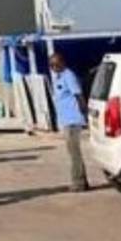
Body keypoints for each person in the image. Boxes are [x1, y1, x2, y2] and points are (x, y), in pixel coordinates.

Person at [50, 53, 90, 192]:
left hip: (73, 120)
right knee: (72, 152)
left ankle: (78, 182)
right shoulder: (59, 77)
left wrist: (84, 114)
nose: (54, 67)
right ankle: (82, 181)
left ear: (63, 62)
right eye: (52, 65)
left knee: (74, 153)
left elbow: (78, 95)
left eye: (56, 64)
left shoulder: (68, 76)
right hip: (66, 120)